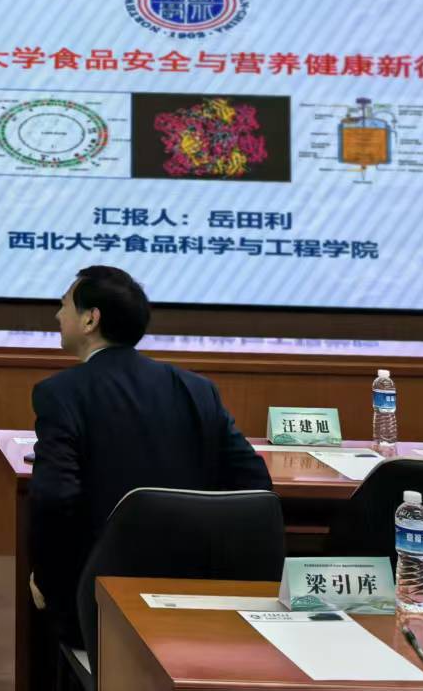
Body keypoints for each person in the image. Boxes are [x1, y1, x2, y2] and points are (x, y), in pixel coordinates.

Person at [27, 265, 270, 645]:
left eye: (64, 306)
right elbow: (254, 485)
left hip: (100, 606)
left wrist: (45, 577)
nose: (58, 316)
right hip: (201, 597)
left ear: (90, 319)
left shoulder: (60, 393)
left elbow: (55, 497)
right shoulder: (196, 389)